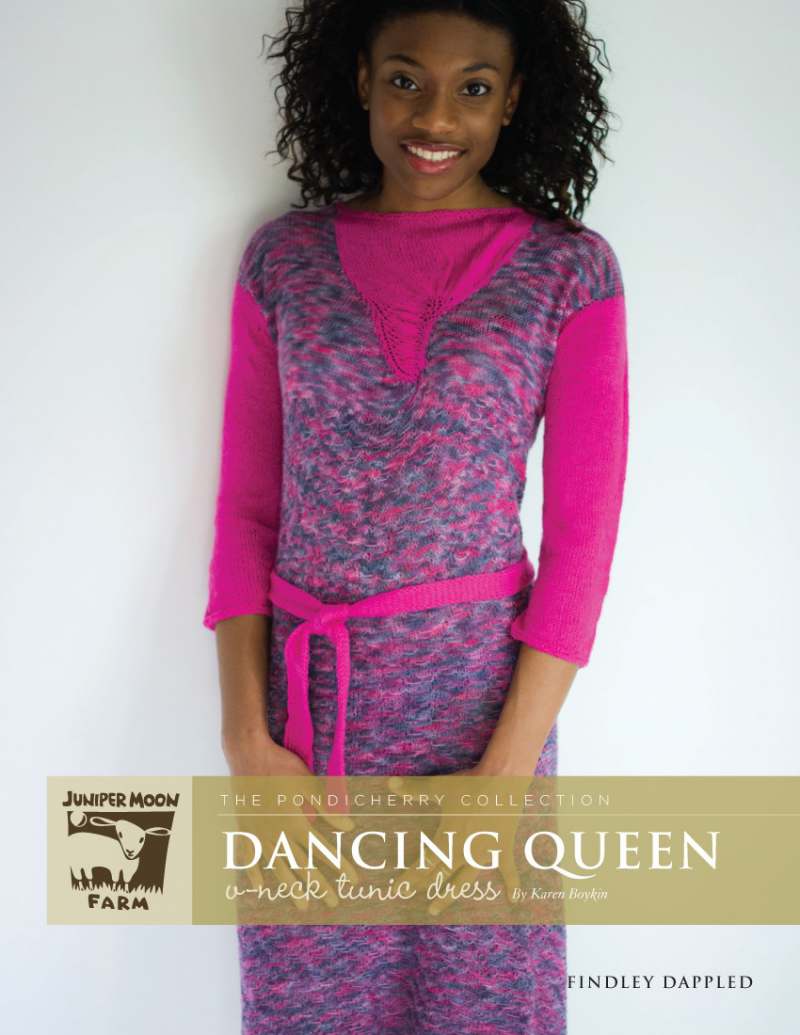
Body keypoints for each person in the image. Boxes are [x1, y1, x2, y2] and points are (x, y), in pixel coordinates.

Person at [203, 1, 628, 1032]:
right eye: (405, 79)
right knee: (309, 1009)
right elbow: (247, 511)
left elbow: (582, 540)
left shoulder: (567, 272)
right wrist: (246, 738)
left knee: (488, 1007)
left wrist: (503, 778)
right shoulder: (283, 261)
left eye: (472, 87)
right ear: (359, 79)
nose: (434, 117)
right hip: (308, 732)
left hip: (482, 723)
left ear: (512, 99)